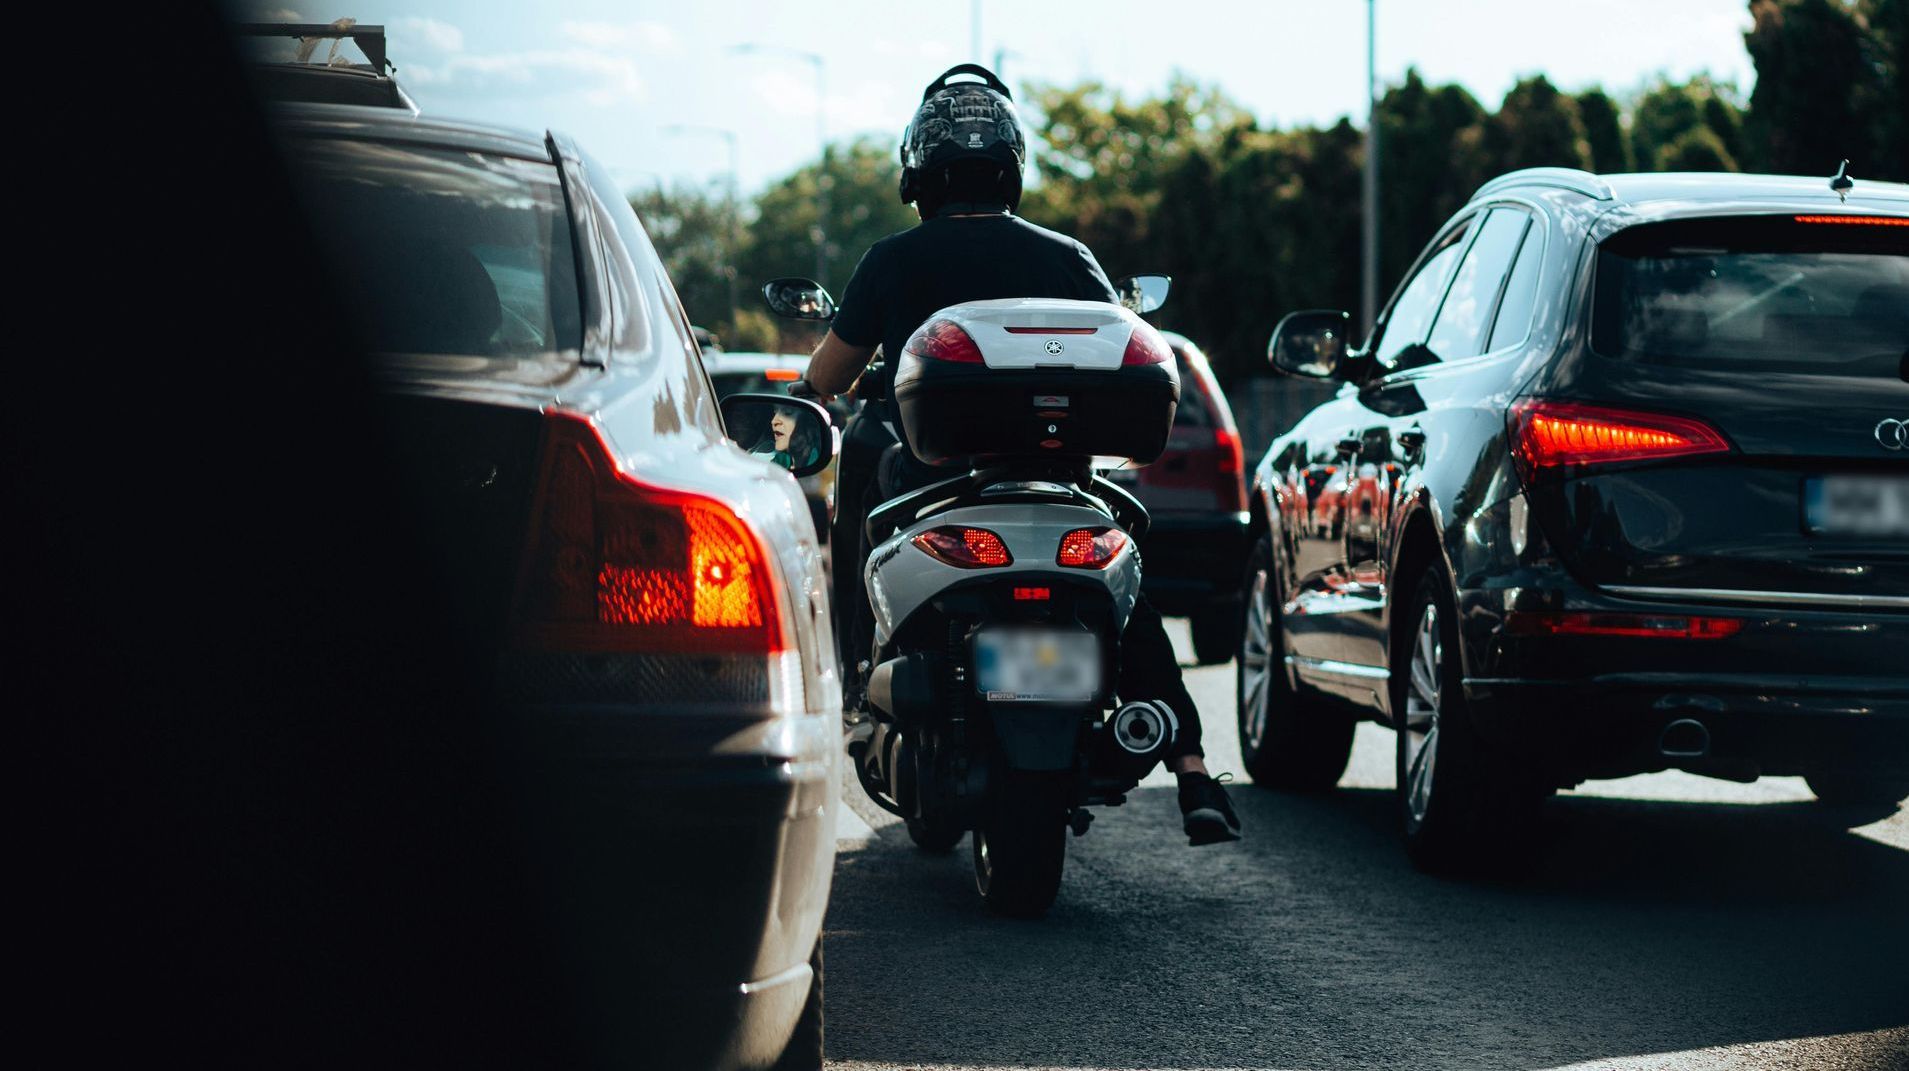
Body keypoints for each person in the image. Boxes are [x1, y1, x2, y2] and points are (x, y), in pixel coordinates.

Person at [799, 64, 1241, 846]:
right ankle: (1195, 766)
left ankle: (859, 676)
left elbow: (825, 380)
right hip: (1057, 480)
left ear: (919, 172)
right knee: (1124, 589)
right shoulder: (1067, 254)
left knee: (861, 492)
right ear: (1012, 167)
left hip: (932, 483)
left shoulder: (892, 259)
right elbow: (1116, 347)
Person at [748, 403, 819, 471]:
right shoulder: (780, 460)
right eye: (775, 412)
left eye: (787, 413)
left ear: (810, 428)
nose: (773, 421)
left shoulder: (818, 464)